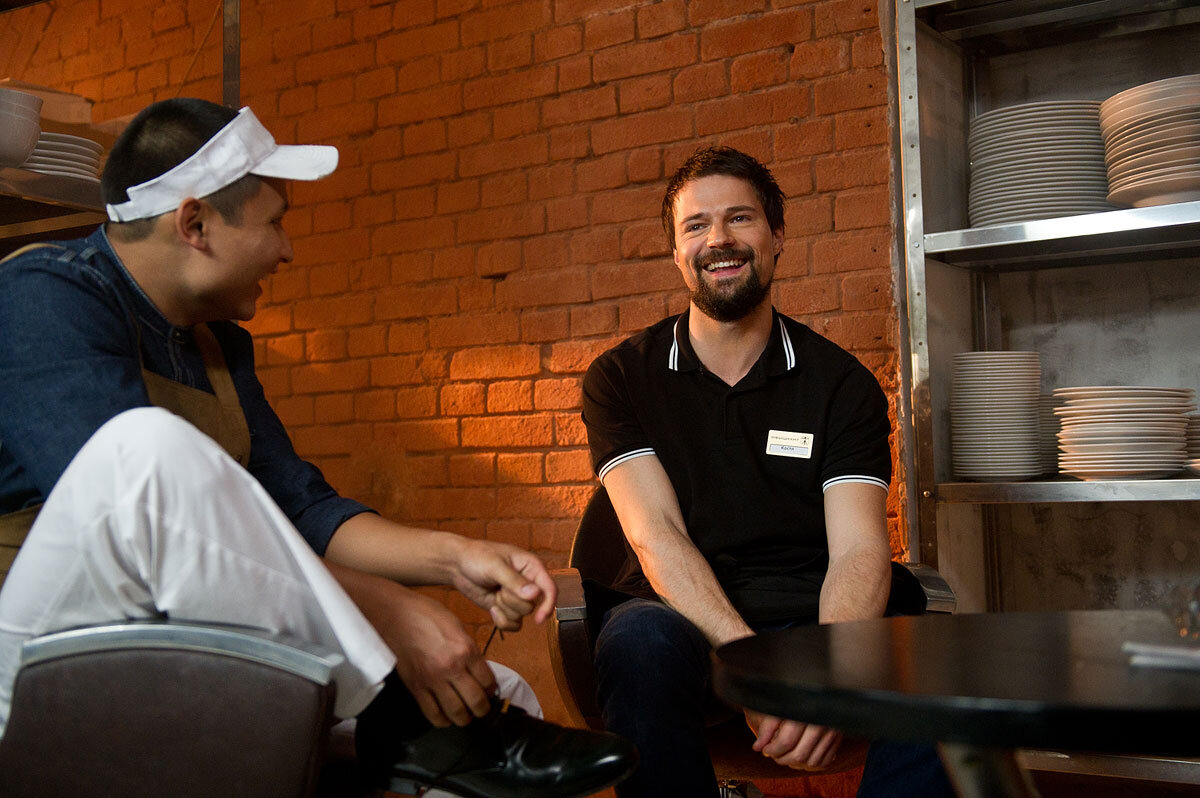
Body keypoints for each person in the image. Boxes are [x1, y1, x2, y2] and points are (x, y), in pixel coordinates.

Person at [0, 97, 634, 798]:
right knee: (145, 448)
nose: (287, 249)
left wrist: (450, 558)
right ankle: (409, 721)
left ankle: (429, 736)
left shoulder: (218, 346)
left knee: (487, 685)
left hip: (166, 642)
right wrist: (386, 611)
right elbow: (124, 499)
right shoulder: (44, 296)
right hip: (31, 659)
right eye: (275, 223)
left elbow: (300, 509)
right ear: (195, 223)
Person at [580, 146, 953, 797]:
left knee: (936, 660)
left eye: (740, 219)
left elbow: (861, 547)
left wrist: (820, 672)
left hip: (813, 617)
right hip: (685, 623)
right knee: (635, 639)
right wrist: (750, 666)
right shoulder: (621, 378)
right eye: (696, 226)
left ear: (777, 237)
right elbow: (656, 535)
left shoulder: (841, 386)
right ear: (676, 252)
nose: (717, 239)